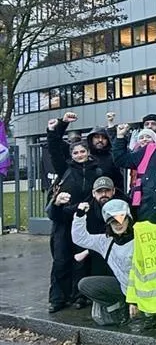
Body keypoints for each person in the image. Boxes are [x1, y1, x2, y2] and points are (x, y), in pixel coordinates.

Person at [46, 115, 106, 312]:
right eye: (76, 152)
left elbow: (97, 195)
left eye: (83, 151)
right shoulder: (65, 169)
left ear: (88, 153)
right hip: (64, 222)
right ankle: (58, 298)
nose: (80, 155)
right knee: (61, 260)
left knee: (81, 260)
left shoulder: (97, 171)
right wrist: (59, 126)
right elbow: (54, 148)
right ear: (72, 155)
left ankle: (80, 296)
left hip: (84, 221)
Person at [71, 199, 137, 327]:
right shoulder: (105, 242)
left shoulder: (141, 238)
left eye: (122, 219)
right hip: (124, 288)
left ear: (129, 220)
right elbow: (80, 238)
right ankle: (120, 307)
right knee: (85, 284)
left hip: (144, 290)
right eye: (113, 221)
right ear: (109, 224)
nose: (118, 224)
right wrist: (79, 216)